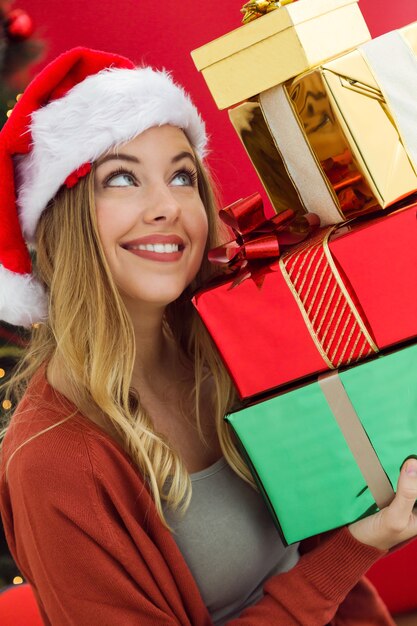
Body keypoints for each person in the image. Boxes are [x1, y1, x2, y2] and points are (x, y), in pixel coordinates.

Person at [0, 46, 416, 626]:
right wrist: (354, 552)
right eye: (122, 178)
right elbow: (329, 569)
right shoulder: (53, 461)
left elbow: (320, 531)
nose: (167, 206)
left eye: (181, 175)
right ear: (63, 219)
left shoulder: (228, 348)